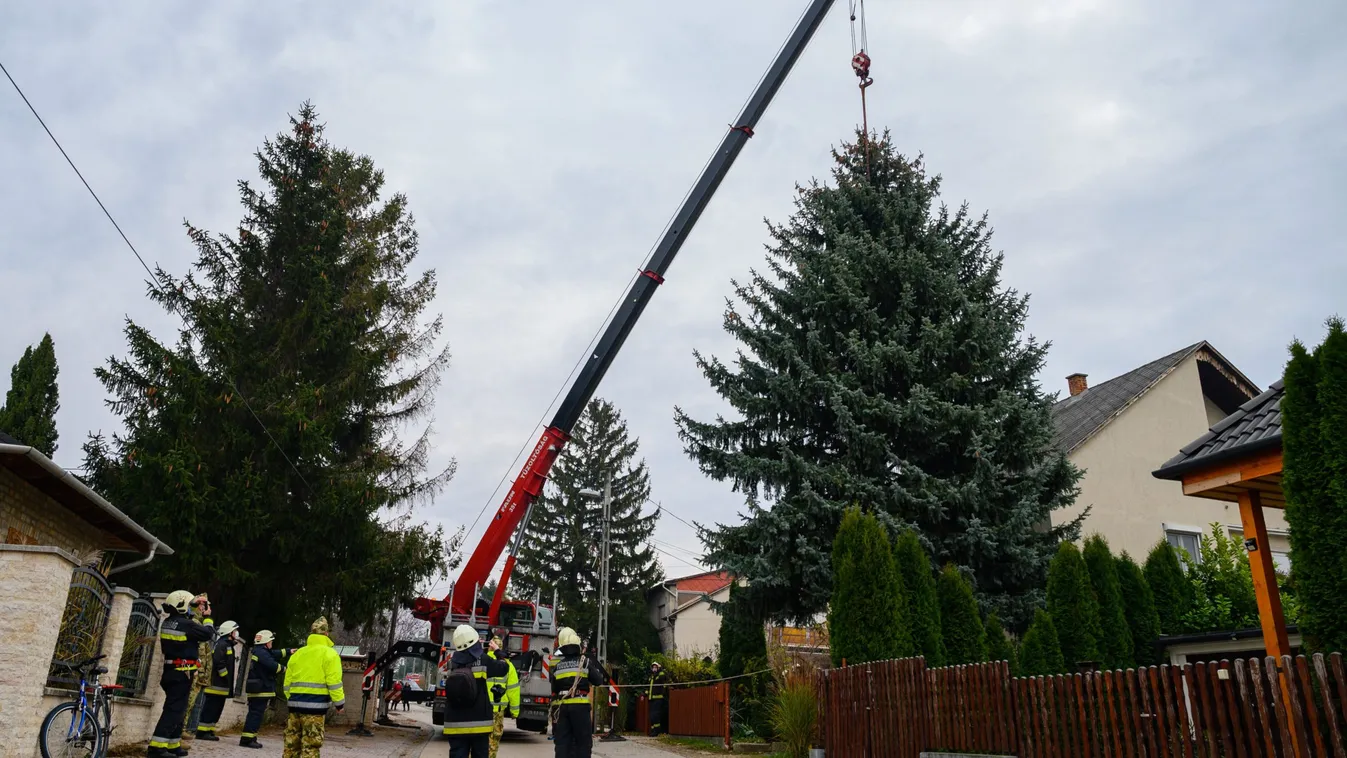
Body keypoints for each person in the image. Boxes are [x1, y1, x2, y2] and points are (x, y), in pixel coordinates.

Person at [148, 591, 214, 758]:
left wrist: (194, 603)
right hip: (181, 673)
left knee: (179, 708)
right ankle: (156, 748)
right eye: (190, 604)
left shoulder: (169, 622)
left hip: (172, 671)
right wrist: (207, 617)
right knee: (174, 710)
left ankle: (173, 744)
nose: (193, 607)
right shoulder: (187, 625)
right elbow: (207, 633)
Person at [282, 617, 345, 757]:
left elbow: (287, 682)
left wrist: (291, 699)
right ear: (326, 634)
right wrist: (339, 703)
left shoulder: (298, 654)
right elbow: (334, 682)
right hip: (315, 709)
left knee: (291, 745)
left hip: (294, 707)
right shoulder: (330, 654)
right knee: (310, 746)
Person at [444, 624, 509, 758]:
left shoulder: (451, 663)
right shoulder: (483, 660)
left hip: (454, 723)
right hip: (479, 723)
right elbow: (503, 668)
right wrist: (498, 652)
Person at [550, 627, 606, 758]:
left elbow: (554, 690)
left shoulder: (558, 666)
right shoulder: (585, 662)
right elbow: (599, 680)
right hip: (580, 707)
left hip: (562, 708)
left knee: (562, 743)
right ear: (577, 645)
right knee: (583, 743)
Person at [241, 630, 292, 749]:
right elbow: (272, 665)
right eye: (270, 641)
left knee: (255, 714)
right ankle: (247, 739)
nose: (271, 644)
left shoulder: (261, 651)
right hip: (261, 689)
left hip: (260, 688)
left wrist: (289, 651)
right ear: (265, 642)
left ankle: (251, 737)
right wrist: (286, 669)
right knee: (255, 714)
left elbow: (274, 654)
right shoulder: (262, 653)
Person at [194, 620, 240, 741]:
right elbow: (219, 661)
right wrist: (225, 676)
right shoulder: (222, 644)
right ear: (229, 632)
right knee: (211, 708)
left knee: (216, 709)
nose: (236, 633)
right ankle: (202, 732)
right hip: (217, 685)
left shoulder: (228, 644)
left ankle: (209, 730)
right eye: (234, 631)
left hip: (222, 686)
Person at [486, 635, 520, 758]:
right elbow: (513, 690)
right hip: (498, 711)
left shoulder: (482, 661)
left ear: (489, 648)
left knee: (478, 740)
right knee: (494, 741)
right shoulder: (508, 666)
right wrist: (515, 712)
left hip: (482, 710)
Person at [646, 661, 670, 737]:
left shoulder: (660, 674)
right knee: (651, 716)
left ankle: (657, 731)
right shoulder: (651, 677)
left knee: (655, 715)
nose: (654, 668)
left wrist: (663, 691)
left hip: (658, 698)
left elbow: (665, 680)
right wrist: (645, 694)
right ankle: (653, 730)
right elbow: (649, 688)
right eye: (653, 667)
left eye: (655, 667)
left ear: (658, 667)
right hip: (651, 699)